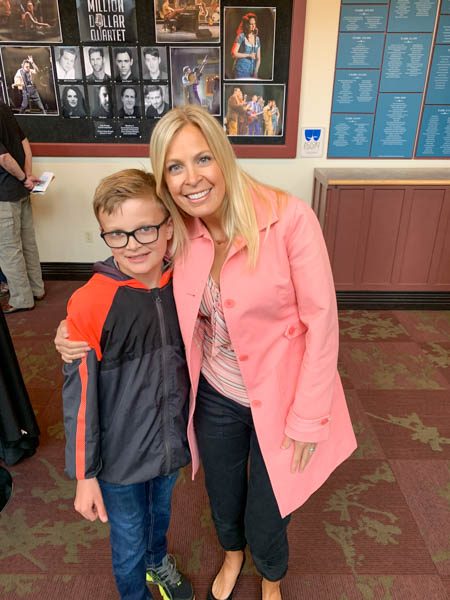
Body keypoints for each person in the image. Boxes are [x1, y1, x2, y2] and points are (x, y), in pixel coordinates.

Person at [55, 105, 357, 600]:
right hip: (216, 393)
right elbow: (131, 271)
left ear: (223, 155)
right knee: (223, 494)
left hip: (283, 399)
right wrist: (71, 328)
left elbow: (323, 325)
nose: (191, 178)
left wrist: (309, 416)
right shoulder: (181, 232)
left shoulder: (289, 220)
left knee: (269, 511)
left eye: (202, 159)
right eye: (174, 167)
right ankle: (232, 554)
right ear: (164, 180)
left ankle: (271, 577)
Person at [61, 169, 194, 600]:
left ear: (169, 227)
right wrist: (85, 475)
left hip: (170, 444)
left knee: (160, 515)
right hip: (119, 460)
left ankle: (158, 561)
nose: (132, 244)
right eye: (116, 234)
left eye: (145, 229)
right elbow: (79, 398)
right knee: (129, 537)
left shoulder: (186, 284)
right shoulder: (90, 302)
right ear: (103, 234)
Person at [0, 101, 45, 314]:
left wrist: (22, 177)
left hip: (4, 194)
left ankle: (21, 299)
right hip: (20, 191)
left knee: (9, 250)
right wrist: (27, 175)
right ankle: (37, 289)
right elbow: (24, 141)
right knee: (28, 243)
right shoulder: (2, 106)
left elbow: (3, 157)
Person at [231, 12, 261, 79]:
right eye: (251, 24)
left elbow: (258, 58)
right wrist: (248, 55)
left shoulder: (257, 39)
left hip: (252, 72)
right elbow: (234, 53)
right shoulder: (241, 36)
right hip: (240, 70)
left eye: (254, 24)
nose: (253, 26)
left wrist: (256, 72)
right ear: (247, 25)